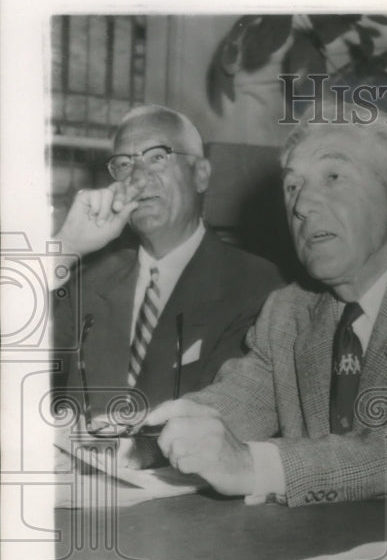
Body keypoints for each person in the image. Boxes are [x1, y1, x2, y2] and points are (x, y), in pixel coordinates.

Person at [145, 107, 387, 506]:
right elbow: (241, 402)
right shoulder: (287, 311)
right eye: (293, 187)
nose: (302, 205)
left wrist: (254, 466)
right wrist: (150, 430)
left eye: (333, 177)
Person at [52, 104, 283, 419]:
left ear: (200, 174)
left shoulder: (256, 285)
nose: (138, 177)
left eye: (157, 157)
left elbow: (233, 415)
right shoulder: (88, 280)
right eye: (122, 164)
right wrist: (66, 247)